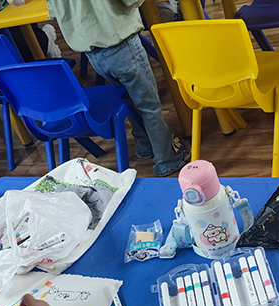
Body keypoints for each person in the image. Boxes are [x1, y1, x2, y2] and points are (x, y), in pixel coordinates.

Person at [46, 1, 190, 177]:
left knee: (129, 99)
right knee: (149, 106)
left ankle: (144, 145)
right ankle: (167, 160)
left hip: (93, 54)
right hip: (122, 44)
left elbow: (54, 12)